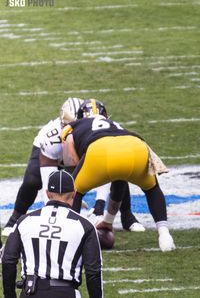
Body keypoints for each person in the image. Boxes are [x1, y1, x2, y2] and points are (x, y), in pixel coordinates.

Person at [2, 98, 143, 237]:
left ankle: (127, 215)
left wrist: (99, 207)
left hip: (89, 151)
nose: (72, 133)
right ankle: (14, 219)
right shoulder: (51, 138)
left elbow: (105, 171)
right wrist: (53, 216)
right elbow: (48, 181)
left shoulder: (101, 132)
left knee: (118, 170)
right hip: (54, 156)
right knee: (32, 181)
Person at [61, 99, 175, 252]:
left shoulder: (74, 126)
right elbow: (119, 179)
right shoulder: (115, 124)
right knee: (151, 188)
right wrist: (107, 221)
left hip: (99, 150)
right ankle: (164, 235)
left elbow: (71, 161)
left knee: (74, 192)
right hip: (136, 145)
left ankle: (69, 239)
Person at [2, 170, 103, 298]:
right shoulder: (85, 226)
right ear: (74, 193)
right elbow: (93, 272)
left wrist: (9, 296)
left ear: (48, 194)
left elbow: (8, 260)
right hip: (66, 293)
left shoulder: (24, 221)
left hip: (31, 292)